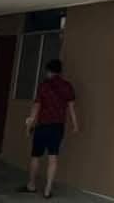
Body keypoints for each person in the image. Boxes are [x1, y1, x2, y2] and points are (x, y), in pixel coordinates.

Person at [19, 59, 78, 199]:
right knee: (53, 157)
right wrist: (75, 125)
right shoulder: (67, 86)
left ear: (48, 71)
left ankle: (31, 185)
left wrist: (29, 124)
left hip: (42, 125)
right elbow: (71, 108)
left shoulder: (43, 86)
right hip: (57, 127)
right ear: (60, 71)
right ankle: (47, 190)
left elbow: (36, 106)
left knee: (35, 156)